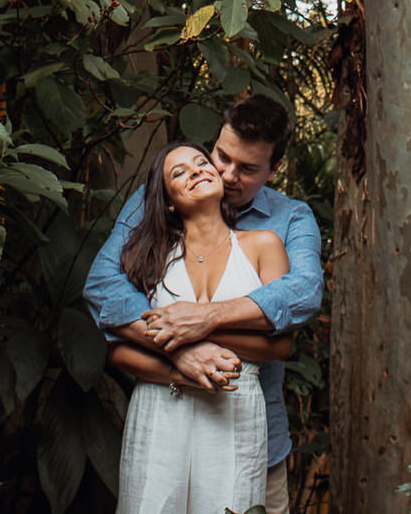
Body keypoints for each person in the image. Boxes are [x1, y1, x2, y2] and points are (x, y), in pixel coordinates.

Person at [85, 95, 323, 514]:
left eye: (248, 169)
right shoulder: (156, 201)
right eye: (221, 156)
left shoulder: (288, 220)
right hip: (164, 421)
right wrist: (179, 348)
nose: (227, 175)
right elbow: (104, 286)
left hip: (252, 434)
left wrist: (204, 318)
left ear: (275, 169)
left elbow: (302, 293)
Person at [105, 142, 291, 512]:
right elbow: (117, 349)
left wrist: (194, 328)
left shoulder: (263, 245)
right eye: (179, 173)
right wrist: (177, 366)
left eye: (202, 162)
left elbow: (281, 345)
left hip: (234, 408)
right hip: (160, 406)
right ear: (169, 201)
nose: (197, 171)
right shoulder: (148, 255)